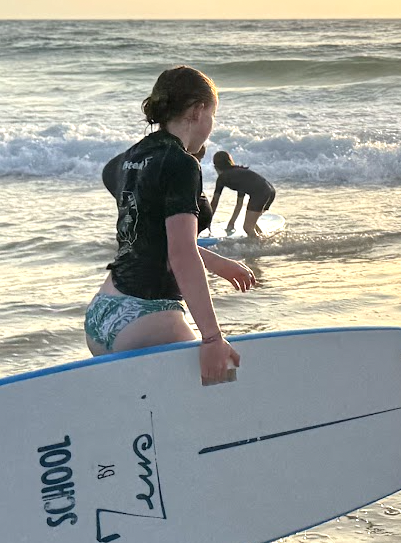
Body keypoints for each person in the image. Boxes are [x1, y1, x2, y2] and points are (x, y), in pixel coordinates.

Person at [88, 66, 257, 382]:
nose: (211, 126)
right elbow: (180, 254)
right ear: (197, 111)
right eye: (212, 116)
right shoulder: (181, 163)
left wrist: (217, 263)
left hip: (103, 313)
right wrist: (211, 338)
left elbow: (151, 235)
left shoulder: (125, 161)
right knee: (222, 381)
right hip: (146, 317)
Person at [211, 150, 278, 238]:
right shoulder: (238, 172)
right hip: (270, 191)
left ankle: (260, 245)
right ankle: (263, 238)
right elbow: (239, 203)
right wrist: (231, 223)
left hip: (260, 193)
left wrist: (207, 222)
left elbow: (214, 203)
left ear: (216, 167)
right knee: (251, 221)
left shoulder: (222, 178)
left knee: (247, 227)